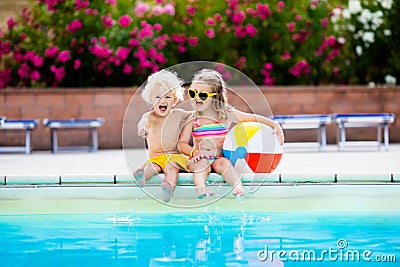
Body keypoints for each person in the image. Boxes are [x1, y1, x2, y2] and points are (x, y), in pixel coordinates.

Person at [178, 69, 284, 198]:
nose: (196, 98)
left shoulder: (225, 115)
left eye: (203, 95)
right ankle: (201, 188)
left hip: (218, 158)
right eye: (193, 93)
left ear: (215, 96)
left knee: (225, 164)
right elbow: (182, 143)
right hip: (199, 159)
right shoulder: (192, 119)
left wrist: (274, 124)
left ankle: (237, 185)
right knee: (202, 166)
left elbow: (250, 118)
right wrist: (193, 152)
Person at [133, 69, 191, 202]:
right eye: (158, 97)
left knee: (172, 168)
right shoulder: (148, 117)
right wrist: (142, 130)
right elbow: (141, 124)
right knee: (151, 168)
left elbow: (194, 114)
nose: (162, 100)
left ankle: (169, 188)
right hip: (156, 158)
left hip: (174, 156)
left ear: (175, 99)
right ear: (151, 99)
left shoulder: (178, 114)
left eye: (167, 97)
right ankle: (142, 178)